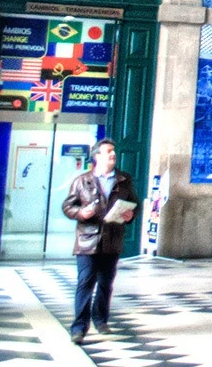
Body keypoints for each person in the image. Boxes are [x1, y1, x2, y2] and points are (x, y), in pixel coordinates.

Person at [60, 138, 138, 345]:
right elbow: (68, 207)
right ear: (97, 157)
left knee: (106, 283)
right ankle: (78, 328)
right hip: (87, 241)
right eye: (108, 152)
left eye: (113, 152)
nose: (113, 155)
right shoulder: (81, 181)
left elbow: (135, 205)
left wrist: (131, 214)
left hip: (112, 239)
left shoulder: (124, 180)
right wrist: (80, 212)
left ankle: (101, 320)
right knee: (85, 283)